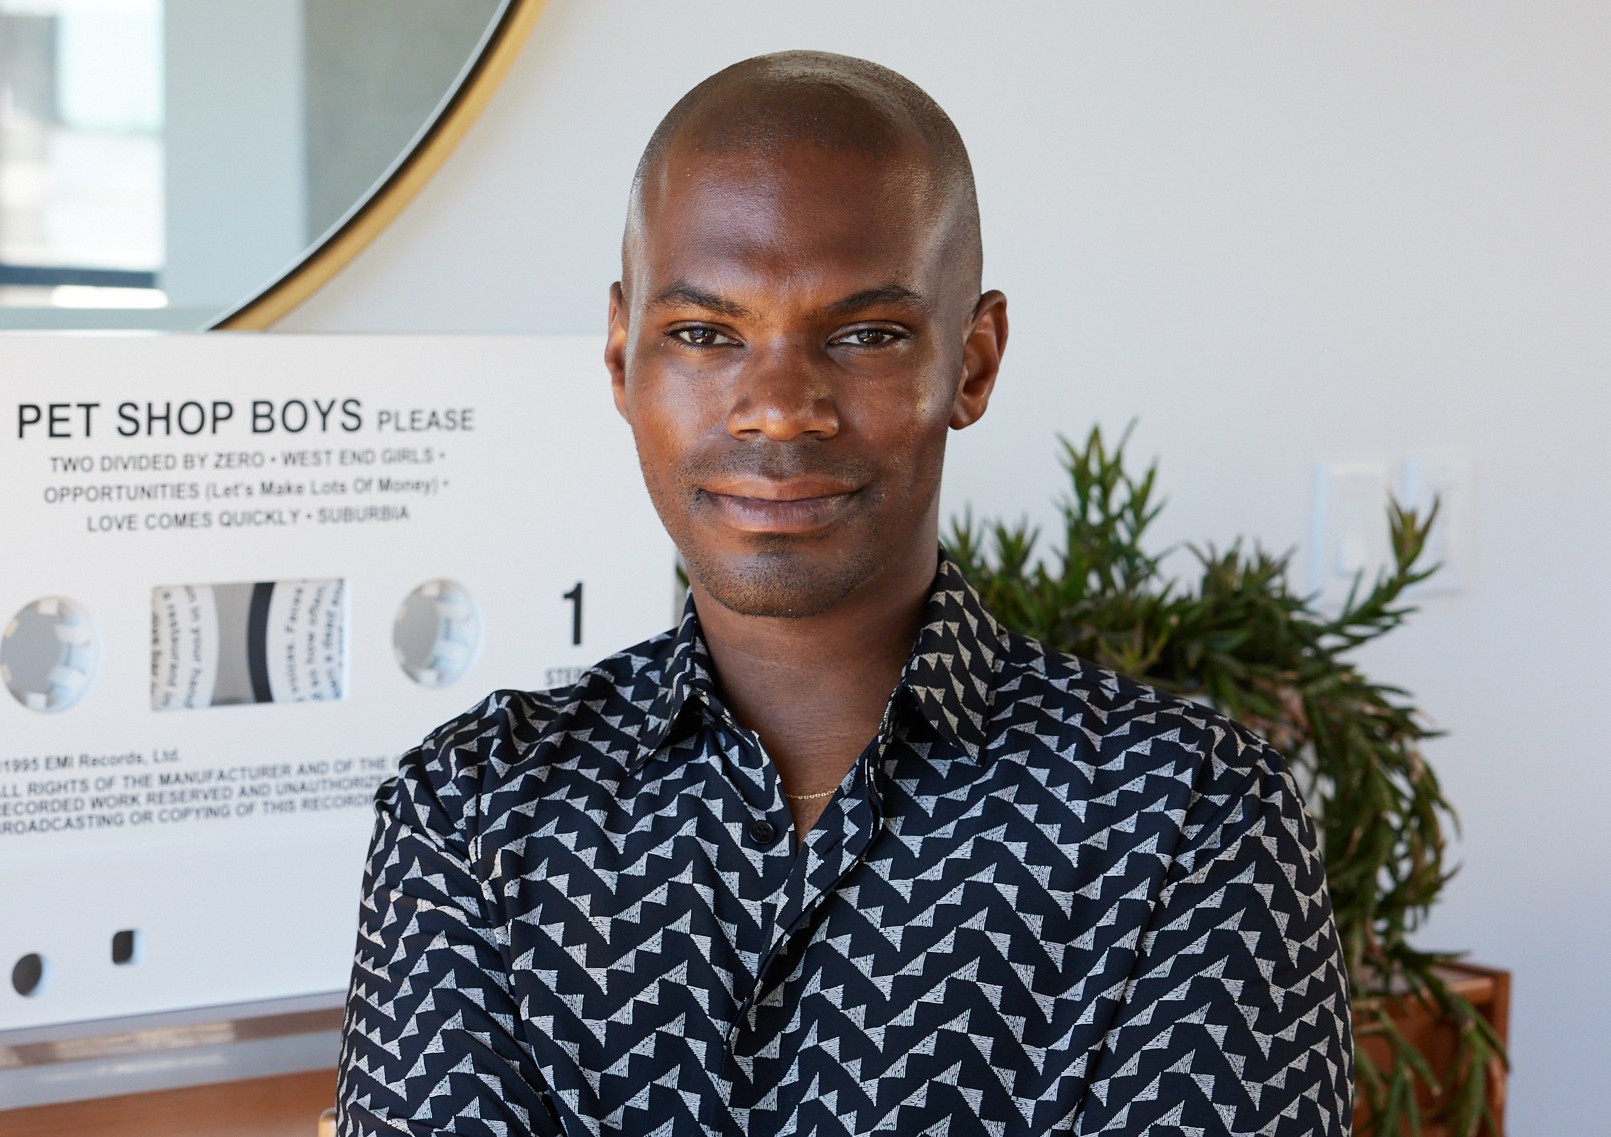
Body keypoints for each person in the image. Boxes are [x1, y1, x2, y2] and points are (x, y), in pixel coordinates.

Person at [336, 51, 1352, 1136]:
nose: (777, 408)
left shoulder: (1182, 814)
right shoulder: (476, 812)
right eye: (703, 335)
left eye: (864, 334)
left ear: (972, 360)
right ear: (622, 353)